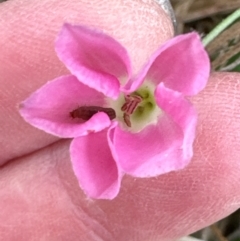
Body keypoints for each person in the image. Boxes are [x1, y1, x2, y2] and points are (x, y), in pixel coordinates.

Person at [0, 0, 240, 240]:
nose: (131, 104)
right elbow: (43, 107)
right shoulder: (172, 69)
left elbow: (185, 50)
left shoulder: (171, 122)